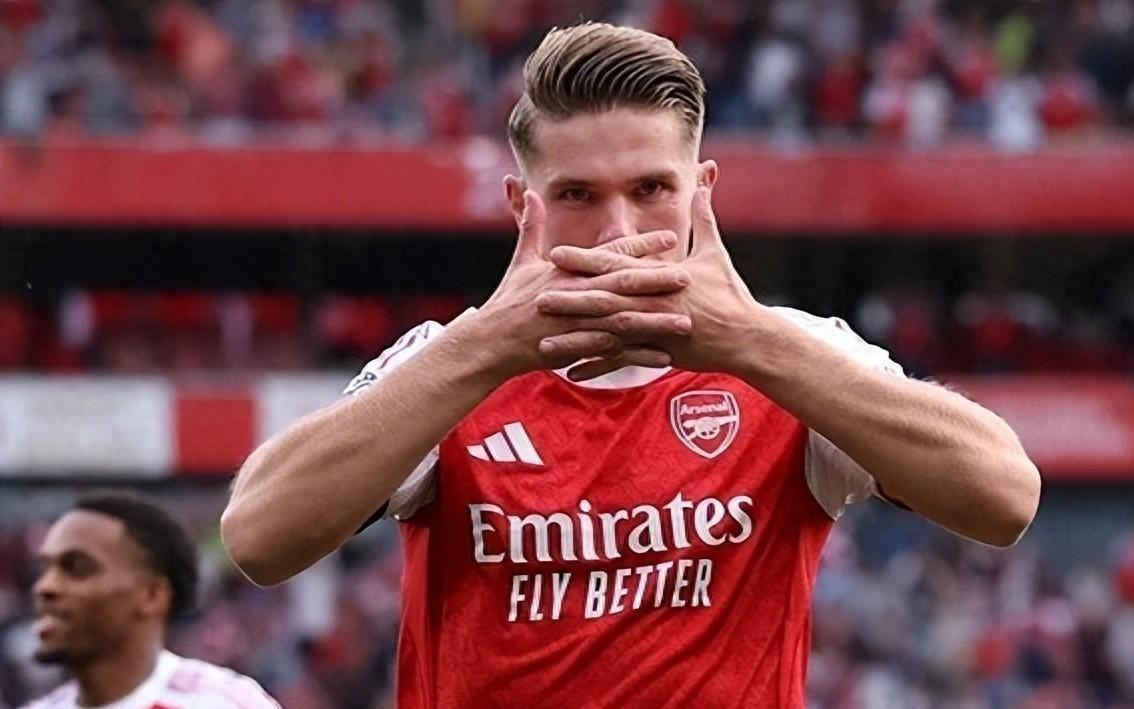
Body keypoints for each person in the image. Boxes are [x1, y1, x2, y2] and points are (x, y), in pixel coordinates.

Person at [221, 22, 1041, 708]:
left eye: (652, 188)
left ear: (701, 191)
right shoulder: (451, 363)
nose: (619, 232)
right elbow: (257, 537)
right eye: (577, 194)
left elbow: (1005, 496)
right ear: (522, 206)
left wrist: (750, 342)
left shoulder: (788, 353)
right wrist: (485, 348)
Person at [23, 493, 280, 709]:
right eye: (44, 569)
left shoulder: (221, 703)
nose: (46, 587)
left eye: (79, 568)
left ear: (152, 594)